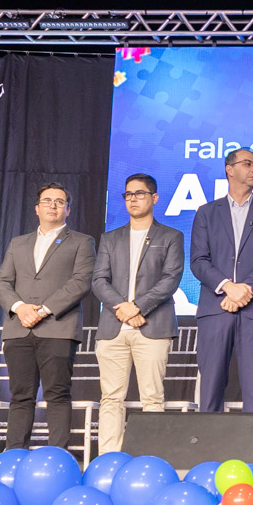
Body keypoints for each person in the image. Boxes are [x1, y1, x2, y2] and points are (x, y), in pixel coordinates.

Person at [89, 173, 185, 455]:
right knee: (110, 398)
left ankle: (150, 459)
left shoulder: (171, 236)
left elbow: (170, 279)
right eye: (128, 194)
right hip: (113, 328)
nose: (133, 199)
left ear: (154, 198)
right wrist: (124, 309)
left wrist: (138, 306)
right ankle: (108, 459)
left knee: (152, 398)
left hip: (152, 326)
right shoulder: (110, 238)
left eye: (140, 193)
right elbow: (99, 280)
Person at [0, 185, 95, 451]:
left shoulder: (82, 242)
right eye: (47, 201)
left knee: (57, 395)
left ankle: (57, 457)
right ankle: (14, 455)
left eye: (59, 201)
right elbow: (2, 283)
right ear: (37, 208)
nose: (53, 205)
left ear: (68, 210)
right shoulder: (18, 243)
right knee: (20, 396)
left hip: (58, 328)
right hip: (19, 329)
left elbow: (81, 283)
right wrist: (20, 308)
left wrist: (42, 310)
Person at [189, 148, 253, 414]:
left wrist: (246, 291)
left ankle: (252, 443)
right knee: (210, 387)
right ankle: (207, 441)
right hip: (215, 308)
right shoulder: (206, 212)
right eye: (248, 164)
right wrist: (228, 287)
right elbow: (198, 260)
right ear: (229, 169)